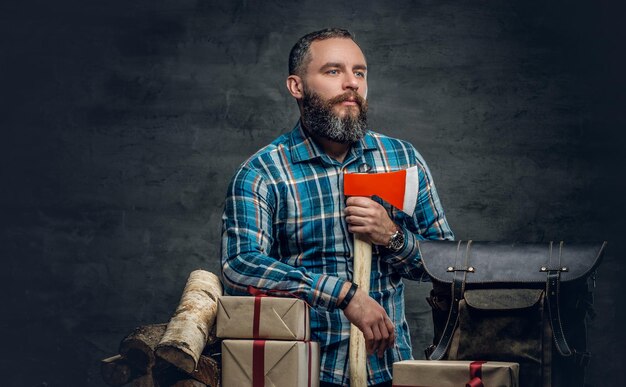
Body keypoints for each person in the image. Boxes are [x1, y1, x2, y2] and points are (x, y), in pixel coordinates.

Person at [221, 27, 454, 386]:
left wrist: (392, 237)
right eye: (333, 71)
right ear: (296, 86)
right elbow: (240, 263)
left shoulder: (402, 159)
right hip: (300, 370)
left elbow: (448, 266)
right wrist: (344, 295)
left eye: (359, 72)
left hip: (390, 372)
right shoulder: (263, 172)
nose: (352, 83)